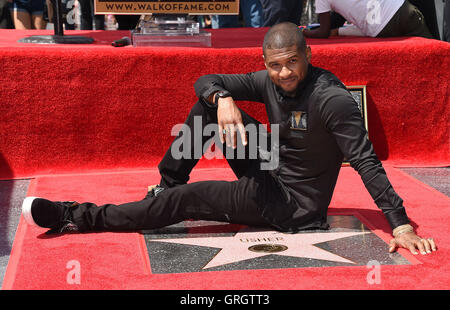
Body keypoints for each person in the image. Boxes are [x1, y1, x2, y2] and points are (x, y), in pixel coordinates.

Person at [22, 22, 437, 256]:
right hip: (271, 164)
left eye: (294, 62)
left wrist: (399, 224)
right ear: (265, 63)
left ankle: (75, 216)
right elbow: (207, 79)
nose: (286, 73)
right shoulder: (268, 79)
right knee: (208, 107)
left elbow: (366, 160)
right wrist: (222, 99)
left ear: (309, 55)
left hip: (290, 204)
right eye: (276, 66)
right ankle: (167, 183)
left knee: (187, 203)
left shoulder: (332, 99)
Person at [303, 0, 434, 39]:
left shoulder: (322, 1)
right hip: (403, 11)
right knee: (436, 58)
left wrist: (303, 32)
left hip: (384, 30)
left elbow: (323, 32)